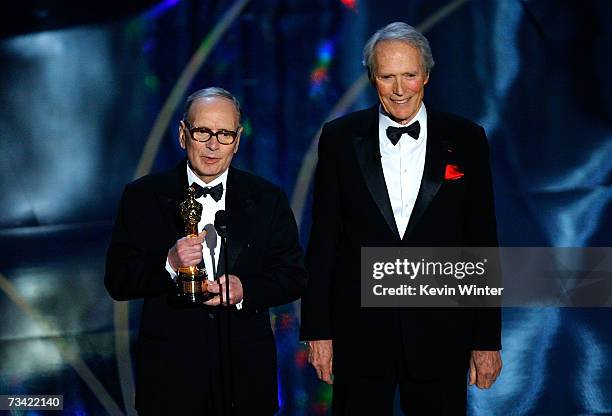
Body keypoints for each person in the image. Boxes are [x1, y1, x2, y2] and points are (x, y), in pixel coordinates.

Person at [300, 22, 502, 415]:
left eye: (409, 75)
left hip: (441, 333)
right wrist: (317, 332)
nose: (399, 89)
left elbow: (481, 241)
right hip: (358, 334)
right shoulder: (340, 138)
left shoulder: (466, 138)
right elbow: (323, 240)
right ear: (371, 78)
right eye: (387, 76)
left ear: (426, 74)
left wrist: (486, 340)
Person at [105, 87, 307, 415]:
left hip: (246, 379)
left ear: (238, 141)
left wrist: (245, 290)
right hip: (171, 381)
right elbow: (117, 280)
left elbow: (294, 276)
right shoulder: (143, 197)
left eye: (225, 134)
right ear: (183, 135)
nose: (213, 144)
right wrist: (169, 264)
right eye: (203, 132)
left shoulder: (267, 198)